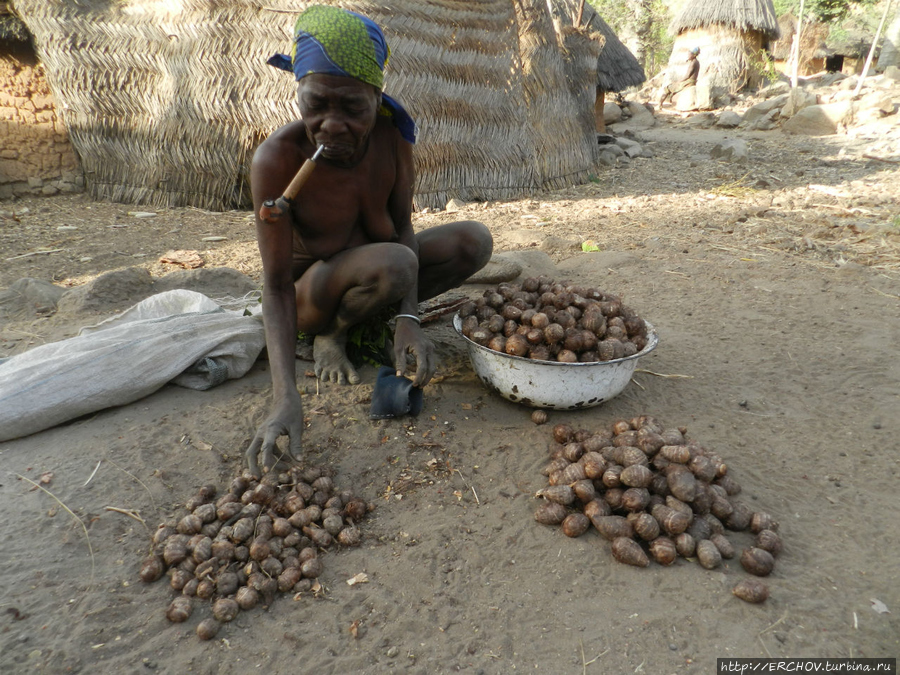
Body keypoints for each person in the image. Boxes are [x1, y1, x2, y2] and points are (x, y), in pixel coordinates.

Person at [245, 5, 493, 476]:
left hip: (381, 270)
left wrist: (408, 319)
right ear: (298, 94)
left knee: (472, 241)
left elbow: (403, 228)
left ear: (377, 98)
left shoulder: (392, 139)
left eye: (353, 108)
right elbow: (275, 286)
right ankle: (330, 336)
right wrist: (285, 397)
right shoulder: (276, 160)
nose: (332, 125)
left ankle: (379, 322)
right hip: (310, 296)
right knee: (397, 262)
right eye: (316, 105)